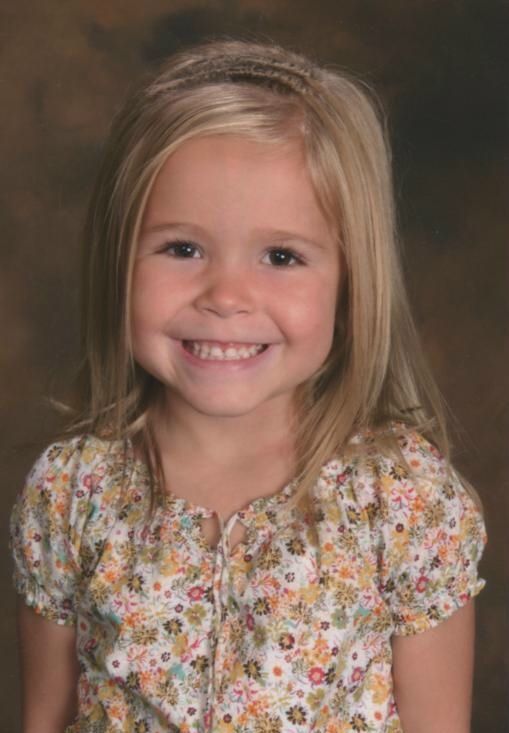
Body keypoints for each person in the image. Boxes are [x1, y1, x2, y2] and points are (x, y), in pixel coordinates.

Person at [10, 39, 486, 733]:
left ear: (350, 285)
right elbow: (45, 717)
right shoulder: (71, 493)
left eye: (281, 256)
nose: (227, 296)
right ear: (118, 258)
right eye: (182, 248)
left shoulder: (402, 499)